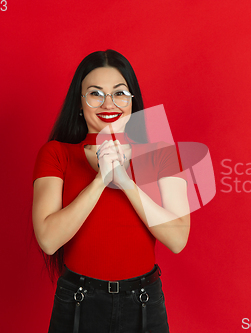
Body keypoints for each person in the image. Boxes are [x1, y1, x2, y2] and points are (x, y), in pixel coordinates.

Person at [32, 49, 190, 333]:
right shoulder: (56, 154)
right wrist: (100, 181)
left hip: (143, 303)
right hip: (78, 301)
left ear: (132, 101)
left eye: (119, 93)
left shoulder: (160, 152)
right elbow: (48, 240)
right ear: (80, 103)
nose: (108, 103)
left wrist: (126, 182)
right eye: (95, 93)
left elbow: (178, 239)